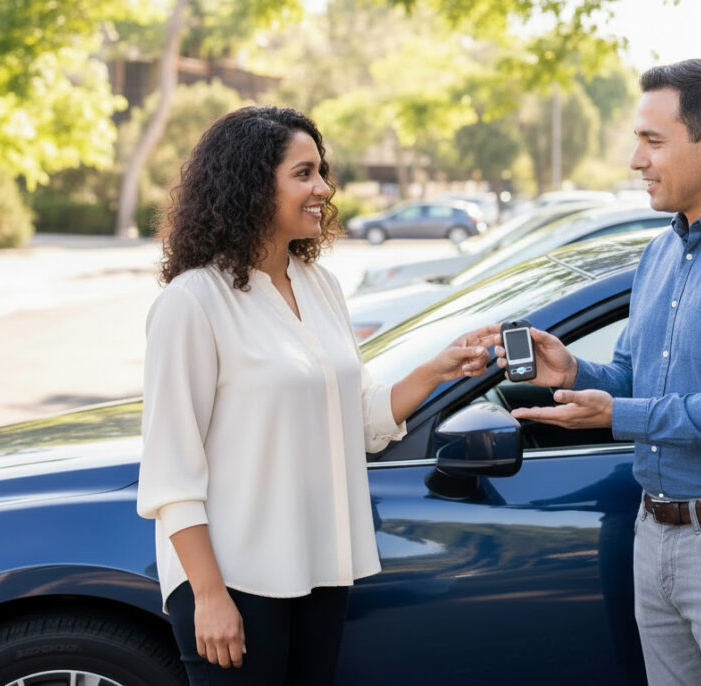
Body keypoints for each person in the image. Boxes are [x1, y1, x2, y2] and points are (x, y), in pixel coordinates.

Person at [487, 60, 701, 685]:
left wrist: (616, 414)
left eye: (652, 141)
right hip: (658, 533)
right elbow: (632, 373)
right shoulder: (661, 250)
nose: (635, 160)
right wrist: (574, 369)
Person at [136, 106, 491, 685]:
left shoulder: (319, 285)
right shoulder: (192, 301)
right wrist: (209, 594)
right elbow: (171, 469)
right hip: (236, 581)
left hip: (320, 570)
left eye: (321, 171)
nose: (323, 188)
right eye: (304, 174)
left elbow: (361, 418)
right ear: (252, 186)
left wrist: (438, 369)